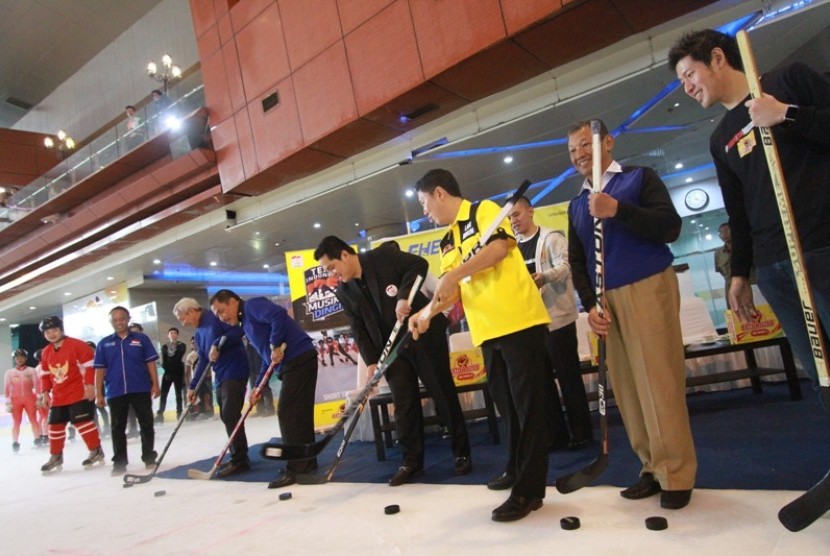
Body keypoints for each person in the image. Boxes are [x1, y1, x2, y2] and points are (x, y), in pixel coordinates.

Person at [669, 29, 830, 387]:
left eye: (689, 75)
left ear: (718, 58)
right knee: (823, 376)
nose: (687, 88)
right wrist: (740, 272)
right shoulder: (720, 138)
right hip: (775, 268)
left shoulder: (789, 80)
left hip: (821, 247)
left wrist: (786, 114)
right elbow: (738, 211)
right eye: (682, 81)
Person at [566, 119, 697, 510]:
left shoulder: (639, 179)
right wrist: (589, 305)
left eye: (584, 146)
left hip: (647, 285)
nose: (579, 156)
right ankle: (651, 467)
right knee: (627, 388)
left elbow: (669, 227)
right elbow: (578, 261)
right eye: (572, 152)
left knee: (658, 380)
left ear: (607, 141)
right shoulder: (576, 204)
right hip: (606, 302)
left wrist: (617, 210)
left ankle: (676, 473)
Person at [408, 169, 552, 522]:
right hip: (487, 332)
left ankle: (529, 491)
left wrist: (455, 273)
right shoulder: (447, 242)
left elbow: (499, 249)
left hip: (519, 321)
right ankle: (517, 470)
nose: (426, 212)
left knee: (529, 408)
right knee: (510, 410)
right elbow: (451, 290)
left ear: (440, 193)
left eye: (425, 204)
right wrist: (426, 313)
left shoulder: (484, 212)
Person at [314, 236, 473, 487]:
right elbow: (359, 329)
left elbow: (418, 265)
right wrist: (371, 362)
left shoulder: (382, 257)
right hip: (391, 351)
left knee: (442, 392)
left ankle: (462, 452)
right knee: (403, 403)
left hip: (421, 334)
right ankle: (411, 462)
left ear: (345, 255)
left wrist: (402, 296)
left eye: (332, 267)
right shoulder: (345, 291)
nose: (332, 275)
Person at [209, 290, 319, 489]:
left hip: (299, 358)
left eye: (222, 310)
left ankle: (297, 467)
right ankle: (306, 462)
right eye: (217, 315)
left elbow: (278, 315)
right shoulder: (246, 324)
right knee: (298, 413)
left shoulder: (251, 306)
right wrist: (259, 385)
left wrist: (275, 342)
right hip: (295, 363)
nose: (221, 317)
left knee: (288, 412)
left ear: (233, 301)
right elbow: (267, 358)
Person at [509, 195, 594, 450]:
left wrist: (543, 277)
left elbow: (567, 267)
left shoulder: (552, 237)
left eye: (517, 214)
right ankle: (556, 435)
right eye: (510, 217)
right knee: (542, 384)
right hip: (530, 324)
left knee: (569, 379)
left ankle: (582, 433)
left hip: (558, 320)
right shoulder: (511, 248)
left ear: (531, 211)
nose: (513, 221)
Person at [173, 297, 249, 478]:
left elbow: (238, 331)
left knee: (230, 413)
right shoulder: (199, 332)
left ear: (191, 310)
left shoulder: (215, 317)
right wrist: (193, 387)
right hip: (221, 375)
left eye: (182, 318)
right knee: (226, 415)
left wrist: (218, 343)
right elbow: (203, 360)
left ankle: (241, 459)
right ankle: (238, 454)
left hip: (235, 369)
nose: (183, 323)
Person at [94, 307, 160, 475]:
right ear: (111, 322)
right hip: (116, 391)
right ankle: (120, 462)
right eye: (115, 320)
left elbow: (150, 363)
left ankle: (149, 458)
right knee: (117, 427)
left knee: (146, 424)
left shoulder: (141, 339)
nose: (119, 322)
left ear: (128, 319)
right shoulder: (104, 344)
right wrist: (98, 393)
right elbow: (99, 370)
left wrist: (155, 384)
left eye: (122, 318)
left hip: (140, 388)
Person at [38, 316, 105, 473]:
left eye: (54, 330)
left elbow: (90, 366)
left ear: (61, 329)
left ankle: (96, 451)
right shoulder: (46, 352)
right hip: (59, 396)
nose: (52, 334)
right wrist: (45, 392)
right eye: (47, 332)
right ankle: (56, 456)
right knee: (54, 426)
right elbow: (46, 374)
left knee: (83, 423)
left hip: (78, 392)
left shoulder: (77, 345)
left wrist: (90, 385)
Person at [4, 349, 42, 452]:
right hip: (15, 399)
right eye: (17, 358)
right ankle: (15, 443)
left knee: (33, 420)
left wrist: (39, 399)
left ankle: (37, 439)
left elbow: (37, 387)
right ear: (14, 359)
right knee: (16, 422)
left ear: (26, 358)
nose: (19, 360)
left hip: (29, 397)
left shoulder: (31, 370)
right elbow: (6, 389)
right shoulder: (10, 373)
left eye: (22, 357)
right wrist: (8, 403)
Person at [157, 327, 186, 424]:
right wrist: (166, 371)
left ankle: (179, 414)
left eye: (174, 333)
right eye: (171, 333)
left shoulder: (182, 345)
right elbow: (164, 360)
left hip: (178, 372)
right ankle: (160, 414)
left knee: (178, 394)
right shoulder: (165, 347)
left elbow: (177, 357)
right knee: (164, 394)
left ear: (177, 335)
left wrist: (169, 368)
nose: (173, 334)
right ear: (168, 335)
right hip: (168, 372)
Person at [245, 336, 275, 417]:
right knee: (253, 381)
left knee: (263, 383)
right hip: (250, 354)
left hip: (258, 353)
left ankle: (269, 407)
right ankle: (260, 408)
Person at [85, 341, 110, 437]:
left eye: (90, 348)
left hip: (99, 386)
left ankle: (107, 427)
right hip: (89, 387)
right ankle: (97, 429)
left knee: (101, 407)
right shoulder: (85, 360)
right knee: (92, 410)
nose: (89, 350)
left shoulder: (99, 358)